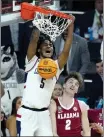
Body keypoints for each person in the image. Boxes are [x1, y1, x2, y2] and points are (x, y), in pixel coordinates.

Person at [16, 16, 75, 136]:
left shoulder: (56, 66)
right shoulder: (32, 61)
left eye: (51, 45)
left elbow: (66, 50)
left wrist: (71, 26)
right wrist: (40, 18)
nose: (49, 46)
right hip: (28, 113)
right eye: (45, 44)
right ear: (38, 49)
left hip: (44, 114)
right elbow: (33, 40)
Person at [49, 72, 90, 137]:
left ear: (77, 90)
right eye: (71, 82)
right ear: (64, 85)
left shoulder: (82, 105)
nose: (73, 85)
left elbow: (87, 132)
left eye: (76, 84)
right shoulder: (53, 103)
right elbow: (54, 133)